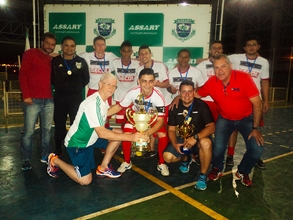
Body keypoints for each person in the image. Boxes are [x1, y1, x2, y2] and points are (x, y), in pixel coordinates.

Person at [46, 73, 149, 185]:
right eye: (108, 84)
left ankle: (103, 168)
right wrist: (131, 137)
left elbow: (108, 112)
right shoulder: (93, 103)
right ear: (100, 84)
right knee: (85, 181)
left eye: (114, 86)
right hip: (78, 144)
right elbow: (102, 133)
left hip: (92, 138)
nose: (111, 88)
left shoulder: (102, 100)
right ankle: (54, 160)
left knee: (118, 133)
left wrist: (128, 100)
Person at [196, 54, 264, 187]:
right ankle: (217, 168)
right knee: (218, 148)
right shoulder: (211, 82)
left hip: (246, 119)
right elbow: (195, 94)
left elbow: (257, 103)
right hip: (225, 119)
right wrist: (178, 98)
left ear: (230, 66)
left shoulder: (244, 78)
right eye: (216, 68)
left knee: (257, 149)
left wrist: (255, 129)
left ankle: (243, 171)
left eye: (223, 66)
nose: (220, 70)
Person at [107, 68, 170, 176]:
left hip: (152, 119)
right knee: (126, 133)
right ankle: (127, 161)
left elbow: (160, 121)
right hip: (136, 117)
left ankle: (162, 163)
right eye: (144, 81)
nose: (147, 85)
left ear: (154, 82)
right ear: (139, 81)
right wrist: (103, 115)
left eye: (150, 81)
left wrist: (148, 133)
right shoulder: (133, 92)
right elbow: (119, 106)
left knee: (163, 135)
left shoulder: (159, 96)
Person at [226, 35, 269, 169]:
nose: (251, 47)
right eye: (248, 45)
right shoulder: (236, 58)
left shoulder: (264, 62)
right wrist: (202, 60)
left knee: (255, 129)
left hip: (255, 101)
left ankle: (256, 157)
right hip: (238, 100)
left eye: (254, 45)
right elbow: (219, 58)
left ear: (258, 47)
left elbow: (265, 82)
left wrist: (266, 101)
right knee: (233, 129)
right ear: (245, 48)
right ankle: (230, 156)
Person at [163, 80, 215, 190]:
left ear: (194, 92)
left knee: (206, 143)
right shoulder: (175, 107)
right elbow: (171, 129)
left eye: (190, 92)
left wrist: (195, 138)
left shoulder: (202, 106)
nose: (187, 95)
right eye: (184, 92)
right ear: (179, 93)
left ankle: (202, 175)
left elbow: (211, 127)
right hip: (181, 138)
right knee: (167, 157)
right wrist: (175, 144)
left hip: (198, 139)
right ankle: (186, 158)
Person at [19, 32, 57, 171]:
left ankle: (45, 155)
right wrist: (26, 95)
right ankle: (26, 159)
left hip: (48, 100)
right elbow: (23, 75)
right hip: (32, 100)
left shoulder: (51, 58)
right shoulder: (31, 53)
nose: (50, 46)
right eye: (47, 43)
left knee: (47, 130)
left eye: (52, 44)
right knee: (29, 131)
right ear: (42, 42)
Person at [51, 36, 89, 156]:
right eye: (66, 45)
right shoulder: (55, 61)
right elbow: (52, 78)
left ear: (75, 48)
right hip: (60, 98)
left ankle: (74, 146)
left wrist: (74, 88)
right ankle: (58, 148)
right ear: (62, 47)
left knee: (76, 123)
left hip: (75, 98)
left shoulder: (81, 61)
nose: (69, 48)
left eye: (72, 46)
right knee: (59, 123)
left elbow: (86, 79)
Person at [137, 45, 171, 158]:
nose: (144, 56)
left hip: (163, 102)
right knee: (150, 125)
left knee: (162, 128)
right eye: (141, 54)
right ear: (139, 57)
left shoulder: (160, 66)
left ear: (151, 54)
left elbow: (167, 84)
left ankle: (165, 152)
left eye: (146, 53)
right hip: (149, 103)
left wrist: (155, 83)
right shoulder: (138, 68)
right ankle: (151, 149)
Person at [111, 40, 140, 128]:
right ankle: (124, 140)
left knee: (131, 122)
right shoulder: (115, 62)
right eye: (124, 51)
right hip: (120, 97)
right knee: (121, 122)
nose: (126, 54)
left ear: (131, 52)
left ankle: (130, 140)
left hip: (132, 98)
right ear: (121, 51)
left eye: (128, 51)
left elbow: (148, 63)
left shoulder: (138, 63)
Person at [196, 40, 223, 122]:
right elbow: (196, 83)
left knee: (222, 126)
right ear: (210, 51)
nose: (217, 50)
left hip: (222, 100)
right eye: (214, 48)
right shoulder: (201, 66)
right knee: (206, 125)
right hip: (206, 100)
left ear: (222, 50)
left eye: (219, 48)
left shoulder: (228, 64)